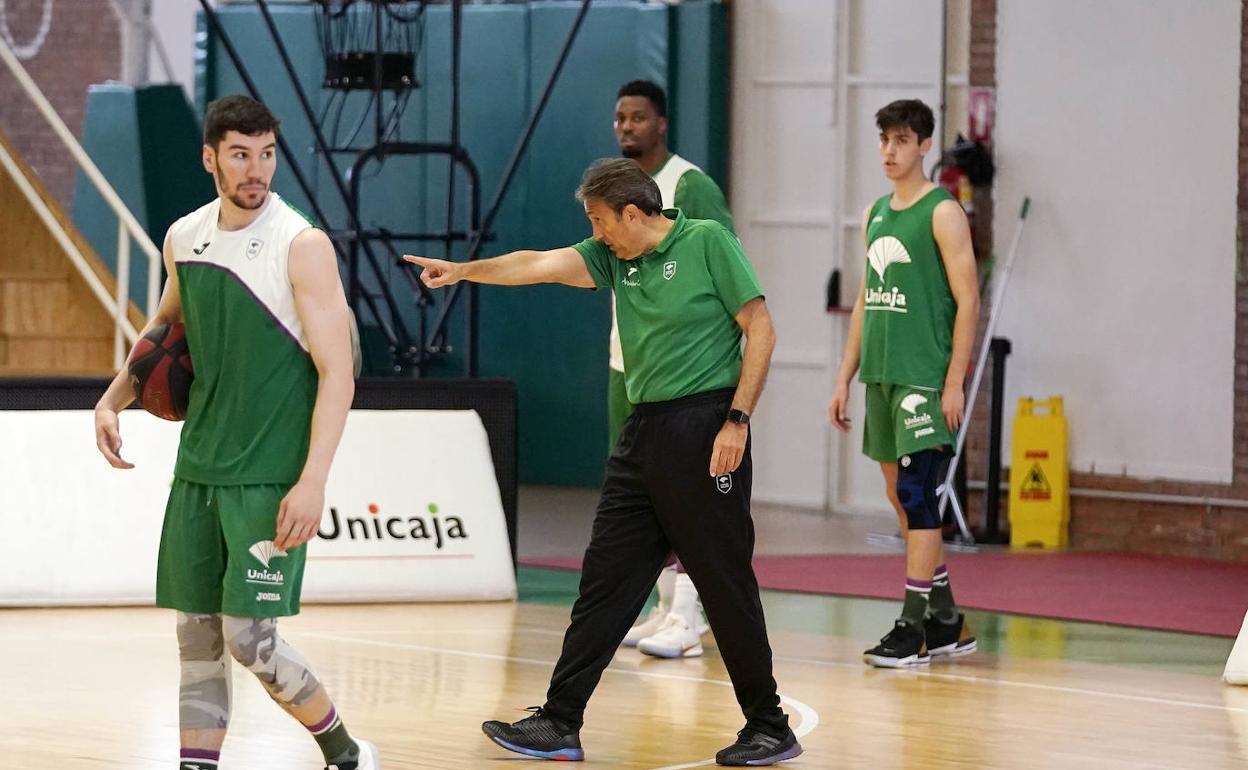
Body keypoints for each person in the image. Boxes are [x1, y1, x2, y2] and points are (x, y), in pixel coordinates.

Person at [405, 158, 802, 766]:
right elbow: (536, 263)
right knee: (604, 582)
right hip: (643, 432)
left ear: (634, 213)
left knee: (724, 583)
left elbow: (762, 330)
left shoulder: (706, 242)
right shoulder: (613, 257)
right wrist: (462, 271)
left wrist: (737, 420)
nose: (594, 233)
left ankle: (769, 726)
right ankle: (561, 719)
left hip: (705, 425)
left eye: (599, 220)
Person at [93, 95, 380, 770]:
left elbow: (339, 374)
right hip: (199, 469)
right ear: (211, 158)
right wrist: (111, 400)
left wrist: (312, 482)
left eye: (268, 154)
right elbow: (165, 330)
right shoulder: (183, 236)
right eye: (242, 155)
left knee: (252, 639)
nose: (257, 170)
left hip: (268, 474)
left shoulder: (301, 245)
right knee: (196, 637)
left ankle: (344, 753)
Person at [828, 98, 981, 668]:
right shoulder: (876, 213)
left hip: (924, 375)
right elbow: (867, 299)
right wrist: (845, 375)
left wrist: (954, 381)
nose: (889, 151)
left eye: (900, 140)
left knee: (920, 499)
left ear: (923, 146)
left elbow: (968, 299)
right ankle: (947, 623)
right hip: (883, 376)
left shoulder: (942, 212)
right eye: (884, 140)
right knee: (900, 501)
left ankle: (911, 627)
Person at [612, 79, 735, 659]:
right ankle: (663, 607)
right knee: (646, 492)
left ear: (661, 123)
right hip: (628, 363)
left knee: (688, 492)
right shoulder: (615, 191)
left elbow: (728, 271)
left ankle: (690, 614)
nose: (627, 127)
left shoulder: (690, 186)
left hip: (689, 375)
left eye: (638, 117)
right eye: (620, 118)